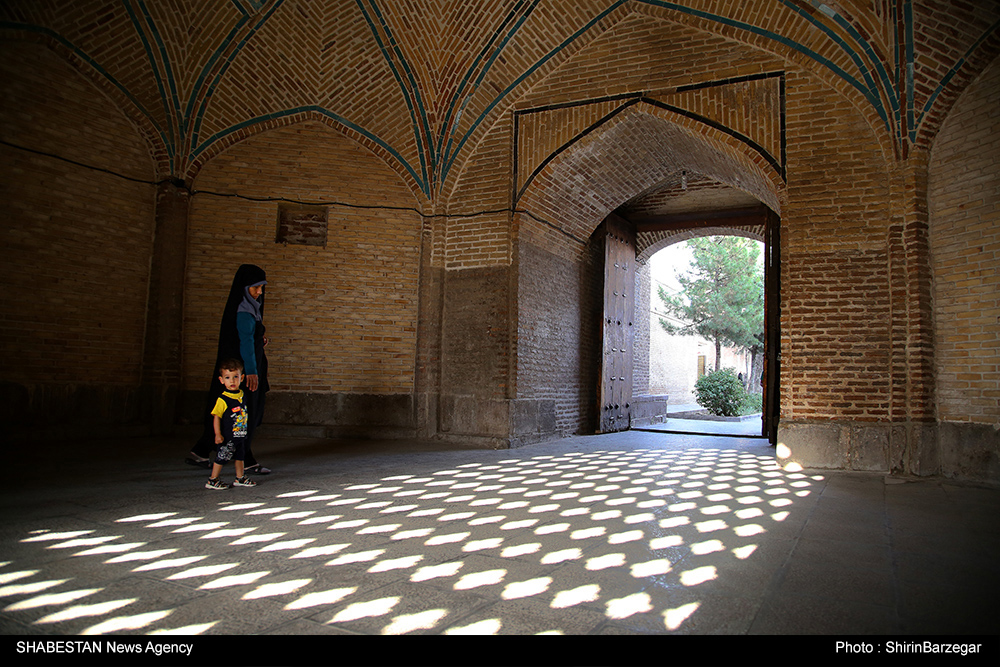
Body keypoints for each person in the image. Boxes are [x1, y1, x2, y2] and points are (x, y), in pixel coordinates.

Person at [187, 263, 272, 474]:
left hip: (242, 371)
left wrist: (259, 342)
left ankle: (201, 450)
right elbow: (243, 343)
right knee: (244, 415)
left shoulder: (248, 308)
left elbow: (245, 339)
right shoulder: (244, 311)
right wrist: (252, 372)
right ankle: (246, 459)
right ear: (244, 288)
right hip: (244, 374)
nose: (259, 292)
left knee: (232, 413)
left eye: (261, 287)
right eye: (255, 287)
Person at [206, 359, 257, 490]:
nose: (232, 381)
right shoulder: (223, 399)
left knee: (240, 456)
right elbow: (216, 417)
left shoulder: (242, 395)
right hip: (227, 436)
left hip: (239, 435)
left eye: (236, 377)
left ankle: (240, 477)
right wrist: (218, 434)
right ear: (221, 380)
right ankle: (213, 479)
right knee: (222, 457)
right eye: (227, 377)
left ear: (242, 378)